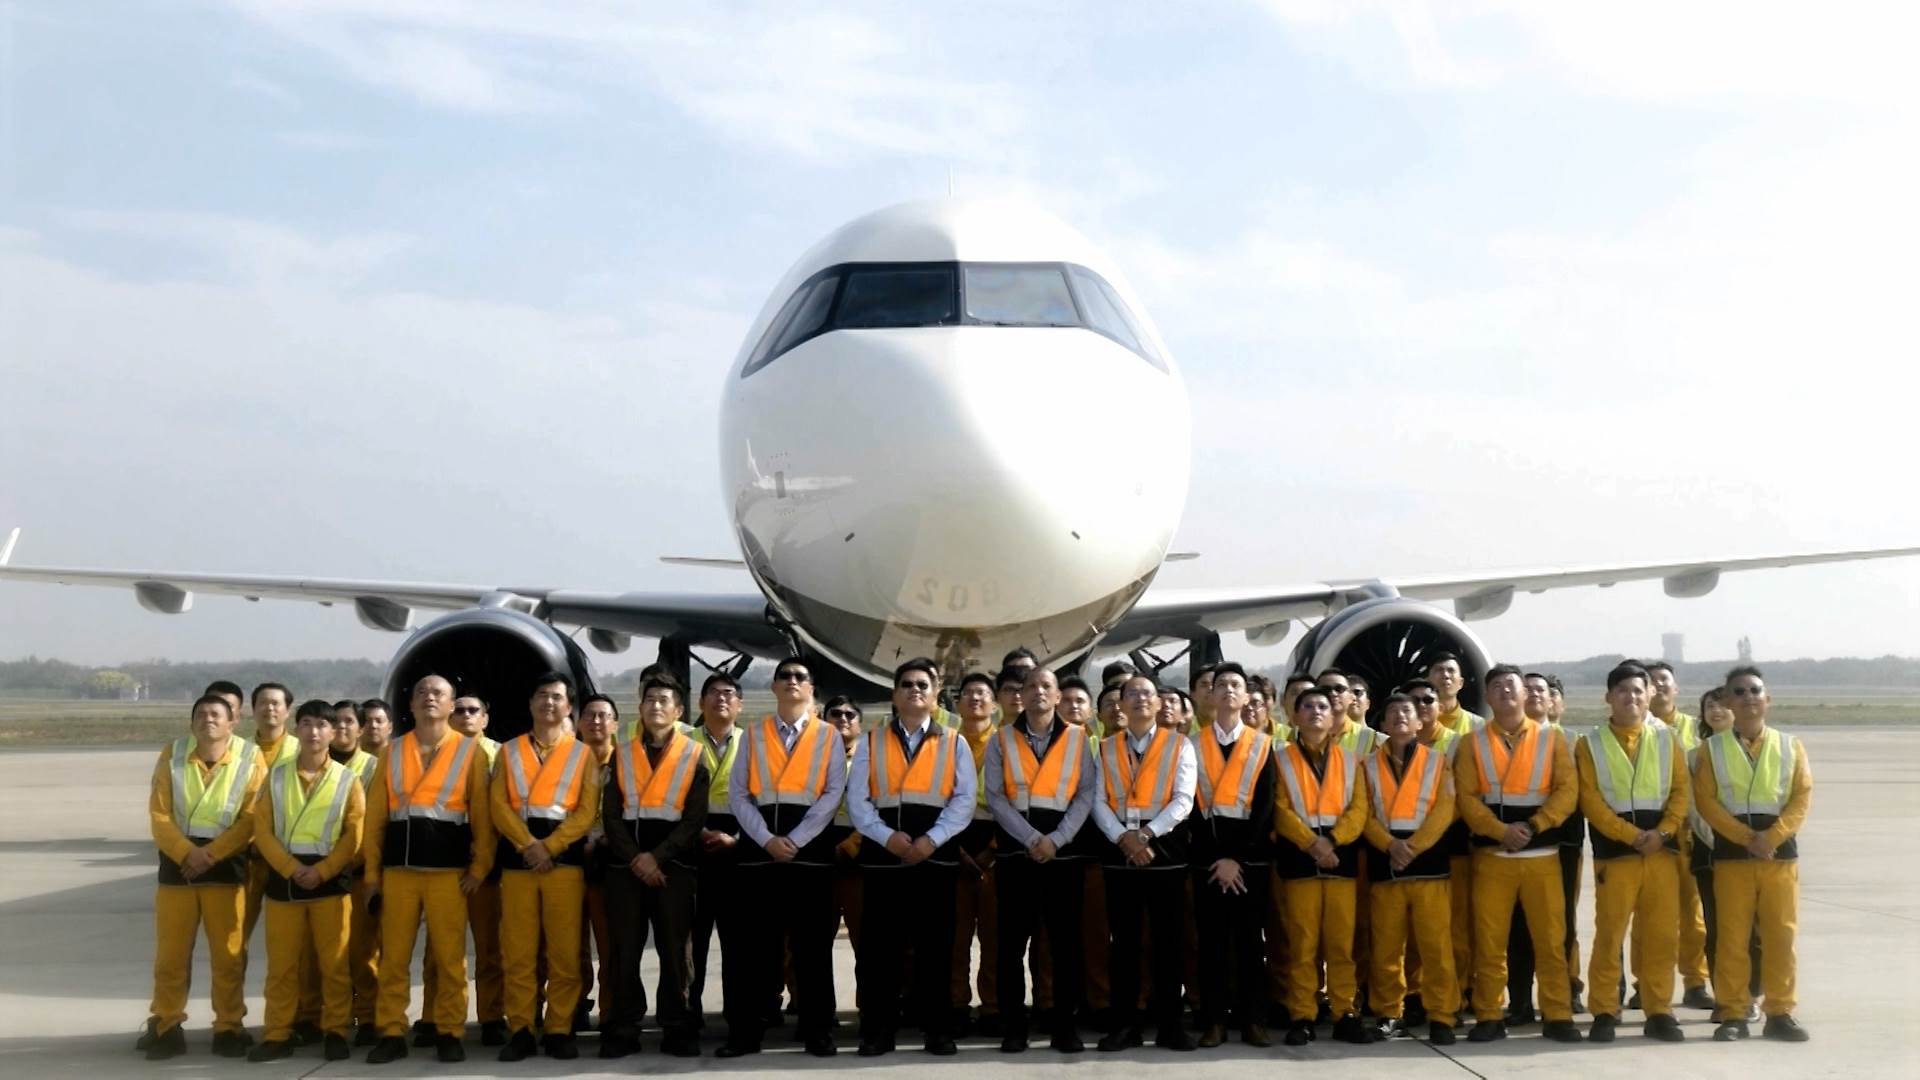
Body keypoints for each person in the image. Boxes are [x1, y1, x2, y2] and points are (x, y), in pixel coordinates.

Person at [846, 658, 977, 1056]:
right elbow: (858, 801)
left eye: (923, 684)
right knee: (879, 952)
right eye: (906, 684)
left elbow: (964, 799)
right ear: (894, 694)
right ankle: (878, 1031)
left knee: (935, 950)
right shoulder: (871, 741)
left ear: (936, 695)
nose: (914, 690)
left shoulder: (955, 742)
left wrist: (930, 841)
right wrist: (888, 839)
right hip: (884, 861)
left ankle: (937, 1030)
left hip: (934, 862)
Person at [362, 674, 494, 1065]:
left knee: (450, 959)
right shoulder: (393, 750)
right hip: (399, 874)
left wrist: (480, 867)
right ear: (411, 705)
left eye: (438, 693)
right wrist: (372, 876)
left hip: (447, 875)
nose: (429, 698)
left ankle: (449, 1031)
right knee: (394, 959)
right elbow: (374, 820)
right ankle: (390, 1031)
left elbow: (483, 820)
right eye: (421, 693)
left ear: (452, 705)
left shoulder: (471, 754)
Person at [721, 657, 848, 1059]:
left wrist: (794, 839)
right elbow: (738, 793)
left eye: (801, 677)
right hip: (760, 858)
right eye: (785, 677)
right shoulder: (753, 735)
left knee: (812, 950)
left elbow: (832, 793)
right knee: (756, 951)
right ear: (773, 687)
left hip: (808, 858)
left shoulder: (828, 736)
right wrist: (764, 839)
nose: (792, 682)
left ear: (812, 689)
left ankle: (817, 1031)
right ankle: (747, 1031)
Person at [1455, 665, 1582, 1044]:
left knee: (1551, 940)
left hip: (1541, 856)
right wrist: (1500, 831)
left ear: (1525, 695)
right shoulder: (1471, 744)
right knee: (1491, 943)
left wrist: (1534, 826)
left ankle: (1558, 1015)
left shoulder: (1552, 739)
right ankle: (1490, 1016)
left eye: (1511, 685)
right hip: (1493, 857)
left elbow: (1567, 791)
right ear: (1487, 697)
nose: (1505, 692)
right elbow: (1466, 798)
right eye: (1496, 687)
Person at [140, 694, 267, 1061]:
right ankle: (166, 1025)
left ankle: (228, 1026)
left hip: (224, 869)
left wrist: (209, 854)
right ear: (191, 722)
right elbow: (159, 816)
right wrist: (187, 854)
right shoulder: (173, 754)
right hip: (178, 870)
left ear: (232, 723)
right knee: (170, 956)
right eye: (200, 714)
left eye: (216, 714)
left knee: (227, 956)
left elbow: (250, 818)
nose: (207, 720)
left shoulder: (249, 758)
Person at [1694, 666, 1812, 1042]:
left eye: (1754, 691)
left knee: (1780, 936)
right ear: (1727, 701)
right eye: (1739, 692)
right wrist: (1746, 837)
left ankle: (1780, 1012)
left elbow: (1801, 796)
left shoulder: (1790, 745)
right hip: (1733, 856)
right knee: (1732, 938)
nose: (1748, 698)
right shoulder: (1711, 750)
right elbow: (1706, 801)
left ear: (1767, 699)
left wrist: (1773, 836)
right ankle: (1733, 1011)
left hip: (1778, 857)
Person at [984, 666, 1096, 1054]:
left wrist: (1058, 839)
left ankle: (1065, 1027)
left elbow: (1086, 794)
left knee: (1066, 946)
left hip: (1063, 859)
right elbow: (995, 797)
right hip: (1017, 856)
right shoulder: (1001, 740)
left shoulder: (1080, 739)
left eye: (1045, 686)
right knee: (1011, 947)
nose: (1037, 693)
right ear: (1020, 695)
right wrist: (1032, 838)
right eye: (1029, 687)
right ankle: (1014, 1027)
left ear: (1058, 695)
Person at [1576, 663, 1690, 1043]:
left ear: (1651, 695)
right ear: (1609, 697)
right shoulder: (1589, 743)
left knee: (1661, 937)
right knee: (1609, 936)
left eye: (1639, 690)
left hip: (1661, 855)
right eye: (1623, 690)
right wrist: (1629, 834)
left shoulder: (1667, 739)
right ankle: (1605, 1010)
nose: (1632, 697)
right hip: (1616, 856)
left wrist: (1664, 832)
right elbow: (1590, 800)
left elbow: (1680, 792)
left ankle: (1659, 1010)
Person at [491, 672, 602, 1062]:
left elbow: (586, 811)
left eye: (557, 697)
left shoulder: (581, 754)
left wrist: (549, 847)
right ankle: (521, 1027)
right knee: (519, 953)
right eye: (542, 696)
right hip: (519, 863)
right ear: (530, 705)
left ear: (568, 707)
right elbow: (498, 805)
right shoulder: (508, 751)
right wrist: (527, 845)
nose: (549, 703)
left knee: (564, 952)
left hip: (563, 863)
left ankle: (559, 1028)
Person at [248, 700, 366, 1062]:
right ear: (297, 730)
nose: (314, 732)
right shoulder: (277, 777)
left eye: (322, 726)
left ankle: (335, 1030)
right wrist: (289, 868)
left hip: (329, 885)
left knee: (333, 965)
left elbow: (354, 834)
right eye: (308, 724)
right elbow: (262, 829)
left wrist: (324, 870)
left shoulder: (349, 780)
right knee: (282, 967)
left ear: (334, 733)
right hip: (285, 884)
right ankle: (277, 1033)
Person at [601, 676, 708, 1058]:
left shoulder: (694, 756)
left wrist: (657, 857)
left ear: (679, 711)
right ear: (641, 708)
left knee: (676, 951)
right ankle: (623, 1025)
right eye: (649, 700)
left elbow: (694, 819)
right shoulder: (621, 753)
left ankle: (677, 1025)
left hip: (674, 867)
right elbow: (611, 815)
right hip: (625, 867)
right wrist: (636, 858)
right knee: (624, 949)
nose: (656, 706)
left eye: (664, 700)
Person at [1091, 673, 1198, 1052]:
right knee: (1124, 945)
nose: (1139, 699)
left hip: (1164, 853)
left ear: (1158, 704)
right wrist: (1123, 837)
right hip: (1120, 855)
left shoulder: (1179, 745)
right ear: (1120, 705)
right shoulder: (1105, 748)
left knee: (1168, 943)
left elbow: (1183, 799)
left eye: (1147, 694)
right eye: (1131, 693)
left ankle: (1170, 1024)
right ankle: (1125, 1025)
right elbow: (1098, 800)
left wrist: (1146, 834)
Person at [1272, 687, 1373, 1046]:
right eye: (1308, 706)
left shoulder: (1351, 760)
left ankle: (1345, 1011)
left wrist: (1330, 841)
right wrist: (1311, 843)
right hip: (1299, 863)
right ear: (1295, 717)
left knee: (1341, 945)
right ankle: (1303, 1014)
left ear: (1334, 719)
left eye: (1323, 707)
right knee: (1302, 945)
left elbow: (1359, 809)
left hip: (1340, 861)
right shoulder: (1280, 760)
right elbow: (1280, 809)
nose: (1316, 711)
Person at [1362, 691, 1460, 1044]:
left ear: (1421, 723)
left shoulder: (1438, 762)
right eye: (1393, 712)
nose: (1401, 716)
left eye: (1409, 711)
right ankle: (1389, 1013)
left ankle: (1442, 1015)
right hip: (1386, 864)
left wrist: (1413, 847)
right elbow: (1365, 815)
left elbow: (1446, 808)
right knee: (1387, 949)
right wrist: (1391, 845)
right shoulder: (1367, 764)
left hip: (1428, 866)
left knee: (1436, 947)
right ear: (1383, 724)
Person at [1189, 662, 1277, 1048]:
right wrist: (1217, 859)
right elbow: (1189, 808)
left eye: (1235, 685)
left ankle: (1253, 1019)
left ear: (1246, 697)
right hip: (1208, 861)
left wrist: (1236, 858)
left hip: (1249, 861)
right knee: (1211, 944)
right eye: (1220, 684)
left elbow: (1265, 807)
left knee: (1249, 944)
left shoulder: (1262, 745)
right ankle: (1214, 1021)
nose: (1227, 690)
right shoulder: (1191, 744)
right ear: (1208, 695)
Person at [1505, 672, 1583, 1024]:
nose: (1537, 695)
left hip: (1562, 844)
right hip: (1518, 846)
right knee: (1518, 928)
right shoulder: (1506, 741)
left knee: (1561, 925)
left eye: (1545, 690)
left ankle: (1566, 992)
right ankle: (1520, 999)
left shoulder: (1573, 742)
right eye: (1530, 689)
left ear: (1557, 702)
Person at [430, 694, 504, 1047]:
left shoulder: (501, 755)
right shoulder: (433, 754)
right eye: (458, 710)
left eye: (473, 710)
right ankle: (433, 1017)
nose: (465, 715)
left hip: (487, 867)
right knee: (439, 951)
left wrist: (484, 862)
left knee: (490, 949)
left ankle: (491, 1016)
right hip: (445, 866)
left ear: (485, 718)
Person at [1645, 659, 1714, 1011]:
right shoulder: (1640, 728)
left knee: (1693, 915)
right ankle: (1646, 983)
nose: (1659, 687)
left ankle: (1695, 981)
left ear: (1676, 688)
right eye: (1652, 682)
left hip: (1688, 835)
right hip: (1652, 835)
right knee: (1650, 916)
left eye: (1664, 681)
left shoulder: (1694, 728)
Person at [1401, 677, 1470, 1026]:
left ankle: (1455, 993)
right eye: (1414, 700)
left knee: (1452, 931)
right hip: (1404, 851)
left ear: (1440, 706)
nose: (1423, 705)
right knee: (1411, 937)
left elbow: (1457, 800)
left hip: (1448, 847)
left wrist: (1422, 837)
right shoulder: (1392, 747)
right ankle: (1413, 994)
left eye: (1429, 699)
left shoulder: (1455, 744)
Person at [1690, 686, 1759, 1018]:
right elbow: (1696, 809)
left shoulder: (1755, 749)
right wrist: (1719, 840)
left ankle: (1752, 994)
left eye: (1721, 703)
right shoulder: (1695, 755)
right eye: (1709, 705)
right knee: (1718, 929)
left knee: (1754, 929)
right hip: (1712, 852)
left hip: (1754, 854)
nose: (1716, 710)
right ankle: (1726, 997)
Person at [688, 673, 745, 1031]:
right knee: (691, 942)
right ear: (700, 703)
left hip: (738, 852)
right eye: (713, 693)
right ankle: (689, 1012)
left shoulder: (752, 742)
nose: (720, 699)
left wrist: (737, 838)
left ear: (739, 704)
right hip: (692, 850)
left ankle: (738, 1015)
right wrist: (698, 831)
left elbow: (760, 798)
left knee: (737, 943)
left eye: (728, 693)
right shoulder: (684, 742)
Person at [950, 671, 1000, 1037]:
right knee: (954, 938)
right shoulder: (945, 743)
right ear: (956, 704)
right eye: (968, 694)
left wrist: (993, 850)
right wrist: (957, 849)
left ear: (994, 703)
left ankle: (993, 1006)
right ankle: (955, 1005)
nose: (975, 699)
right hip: (954, 846)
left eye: (982, 694)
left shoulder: (1006, 743)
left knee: (996, 939)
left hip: (996, 849)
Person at [345, 698, 391, 1043]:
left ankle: (374, 1015)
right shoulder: (329, 766)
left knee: (375, 950)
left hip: (370, 869)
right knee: (348, 951)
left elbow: (377, 824)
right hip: (339, 871)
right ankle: (348, 1013)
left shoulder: (388, 765)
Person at [575, 694, 618, 1037]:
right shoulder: (565, 761)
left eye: (604, 715)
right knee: (570, 945)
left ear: (615, 724)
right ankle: (574, 1006)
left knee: (610, 945)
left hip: (609, 861)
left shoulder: (626, 761)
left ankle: (610, 1013)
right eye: (589, 715)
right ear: (578, 722)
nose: (596, 721)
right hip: (571, 857)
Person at [244, 683, 298, 946]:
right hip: (248, 859)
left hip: (288, 859)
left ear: (288, 711)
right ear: (253, 710)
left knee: (290, 942)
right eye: (263, 703)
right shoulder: (236, 752)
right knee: (234, 939)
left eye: (276, 703)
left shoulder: (304, 751)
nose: (269, 708)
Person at [1426, 654, 1481, 734]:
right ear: (1427, 681)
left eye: (1451, 670)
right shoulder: (1414, 721)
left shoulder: (1478, 725)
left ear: (1461, 683)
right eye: (1439, 670)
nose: (1445, 675)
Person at [1188, 664, 1217, 732]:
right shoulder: (1184, 727)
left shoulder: (1240, 727)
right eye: (1204, 685)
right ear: (1192, 693)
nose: (1210, 688)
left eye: (1215, 684)